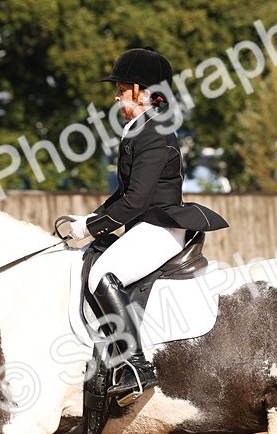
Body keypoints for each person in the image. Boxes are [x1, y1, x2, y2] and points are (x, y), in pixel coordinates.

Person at [66, 47, 228, 404]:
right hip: (145, 225)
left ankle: (135, 365)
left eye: (122, 88)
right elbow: (124, 193)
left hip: (160, 227)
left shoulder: (154, 132)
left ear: (141, 91)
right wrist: (89, 221)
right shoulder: (138, 129)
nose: (117, 94)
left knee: (101, 276)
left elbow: (137, 201)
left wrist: (93, 229)